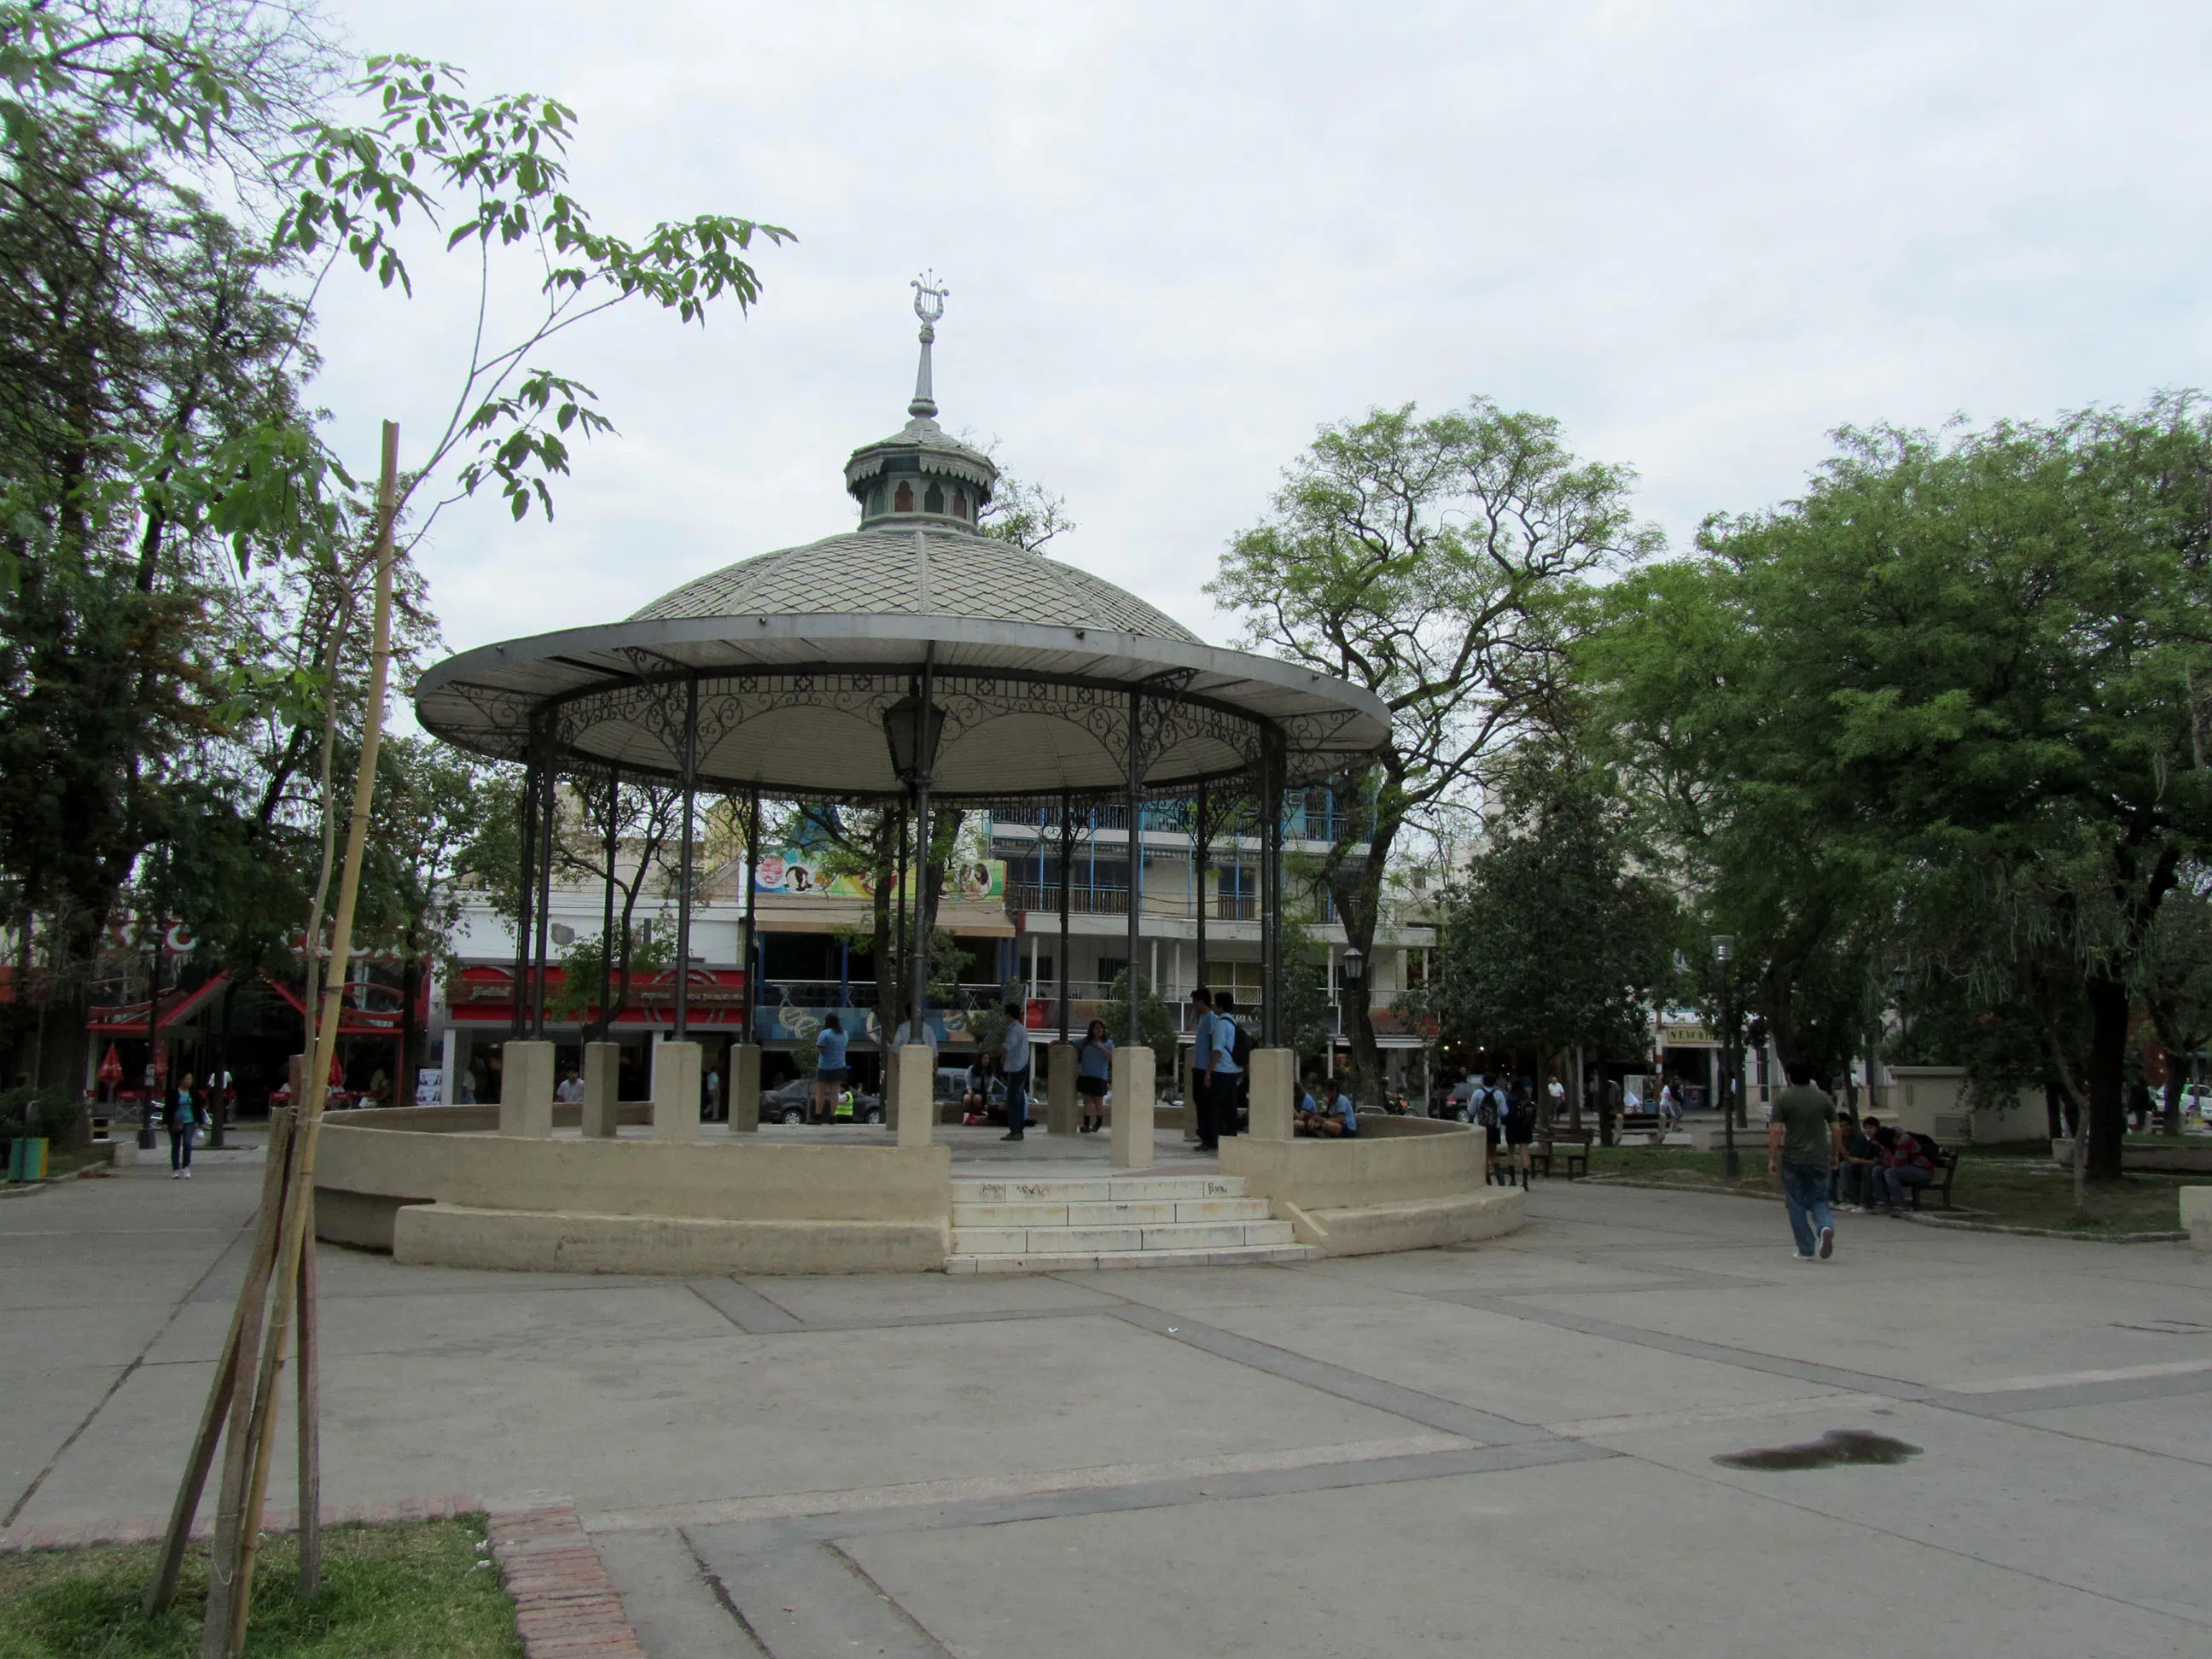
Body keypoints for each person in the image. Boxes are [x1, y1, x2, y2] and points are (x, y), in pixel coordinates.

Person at [1767, 1060, 1842, 1260]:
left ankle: (1806, 1248)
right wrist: (1835, 1154)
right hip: (1819, 1156)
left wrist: (1772, 1158)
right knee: (1819, 1198)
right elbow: (1836, 1129)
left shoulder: (1783, 1098)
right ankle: (1825, 1227)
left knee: (1796, 1203)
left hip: (1793, 1158)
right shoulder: (1822, 1097)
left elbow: (1776, 1130)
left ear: (1789, 1076)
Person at [1208, 992, 1247, 1145]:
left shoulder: (1220, 1024)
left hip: (1221, 1070)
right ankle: (1231, 1137)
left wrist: (1209, 1071)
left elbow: (1217, 1050)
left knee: (1214, 1106)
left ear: (1219, 1006)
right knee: (1230, 1107)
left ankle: (1214, 1139)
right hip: (1234, 1071)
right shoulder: (1233, 1023)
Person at [1189, 987, 1222, 1150]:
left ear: (1201, 1002)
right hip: (1198, 1067)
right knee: (1198, 1101)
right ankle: (1203, 1134)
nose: (1193, 1006)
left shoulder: (1211, 1019)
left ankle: (1209, 1138)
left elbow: (1213, 1045)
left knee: (1205, 1104)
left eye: (1195, 1002)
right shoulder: (1201, 1019)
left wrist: (1209, 1070)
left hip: (1204, 1069)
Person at [1877, 1124, 1936, 1214]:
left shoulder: (1904, 1140)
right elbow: (1887, 1160)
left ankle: (1901, 1206)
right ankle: (1885, 1203)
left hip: (1923, 1171)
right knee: (1878, 1171)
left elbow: (1897, 1163)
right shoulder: (1892, 1142)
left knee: (1890, 1172)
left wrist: (1887, 1155)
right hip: (1907, 1170)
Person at [998, 1003, 1033, 1140]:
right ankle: (1016, 1129)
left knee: (1014, 1100)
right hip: (1018, 1067)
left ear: (1008, 1014)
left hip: (1016, 1068)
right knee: (1015, 1099)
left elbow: (1007, 1048)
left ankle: (1016, 1130)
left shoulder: (1015, 1030)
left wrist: (995, 1048)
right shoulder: (1019, 1029)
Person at [1074, 1018, 1113, 1133]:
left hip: (1099, 1076)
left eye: (1101, 1028)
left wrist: (1100, 1046)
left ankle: (1098, 1122)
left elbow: (1111, 1057)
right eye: (1096, 1028)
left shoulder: (1108, 1043)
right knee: (1087, 1099)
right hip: (1086, 1075)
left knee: (1098, 1101)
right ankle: (1086, 1124)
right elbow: (1072, 1042)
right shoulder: (1085, 1042)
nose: (1099, 1030)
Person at [1502, 1077, 1537, 1187]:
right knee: (1524, 1151)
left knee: (1511, 1151)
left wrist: (1505, 1122)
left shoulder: (1510, 1098)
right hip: (1525, 1127)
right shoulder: (1526, 1098)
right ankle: (1525, 1181)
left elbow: (1507, 1113)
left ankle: (1512, 1179)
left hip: (1512, 1127)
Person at [812, 1015, 848, 1125]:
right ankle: (833, 1116)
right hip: (839, 1065)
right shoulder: (844, 1034)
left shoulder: (825, 1033)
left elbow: (820, 1048)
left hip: (825, 1066)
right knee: (835, 1091)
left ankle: (818, 1115)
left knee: (820, 1091)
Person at [165, 1072, 198, 1179]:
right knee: (176, 1145)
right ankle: (176, 1169)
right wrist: (165, 1122)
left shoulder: (193, 1093)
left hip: (190, 1121)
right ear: (181, 1080)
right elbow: (168, 1108)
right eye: (187, 1079)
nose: (189, 1081)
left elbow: (198, 1107)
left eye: (191, 1079)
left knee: (187, 1143)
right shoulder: (174, 1093)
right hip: (176, 1121)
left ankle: (186, 1167)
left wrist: (198, 1121)